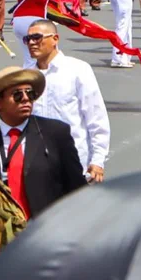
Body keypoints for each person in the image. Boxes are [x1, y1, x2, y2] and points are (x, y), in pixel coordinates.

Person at [0, 66, 87, 218]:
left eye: (30, 94)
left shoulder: (55, 134)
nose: (25, 99)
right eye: (17, 95)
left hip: (44, 231)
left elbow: (77, 187)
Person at [23, 19, 110, 183]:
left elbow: (96, 117)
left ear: (55, 39)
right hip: (36, 165)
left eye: (37, 37)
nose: (32, 43)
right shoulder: (26, 75)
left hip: (73, 162)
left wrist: (97, 160)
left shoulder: (78, 70)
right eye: (28, 39)